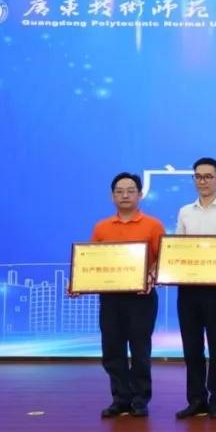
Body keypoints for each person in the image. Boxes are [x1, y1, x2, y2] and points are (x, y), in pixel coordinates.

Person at [89, 172, 165, 418]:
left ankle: (140, 399)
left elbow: (162, 259)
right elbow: (91, 261)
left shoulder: (153, 225)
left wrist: (151, 274)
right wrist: (79, 282)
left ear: (140, 195)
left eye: (131, 190)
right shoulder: (101, 227)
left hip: (142, 297)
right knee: (112, 348)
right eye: (119, 191)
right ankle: (120, 398)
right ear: (112, 196)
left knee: (140, 349)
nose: (125, 195)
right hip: (111, 297)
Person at [173, 157, 216, 420]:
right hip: (188, 286)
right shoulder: (185, 211)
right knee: (191, 345)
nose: (203, 181)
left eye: (208, 177)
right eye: (198, 177)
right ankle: (195, 399)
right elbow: (177, 247)